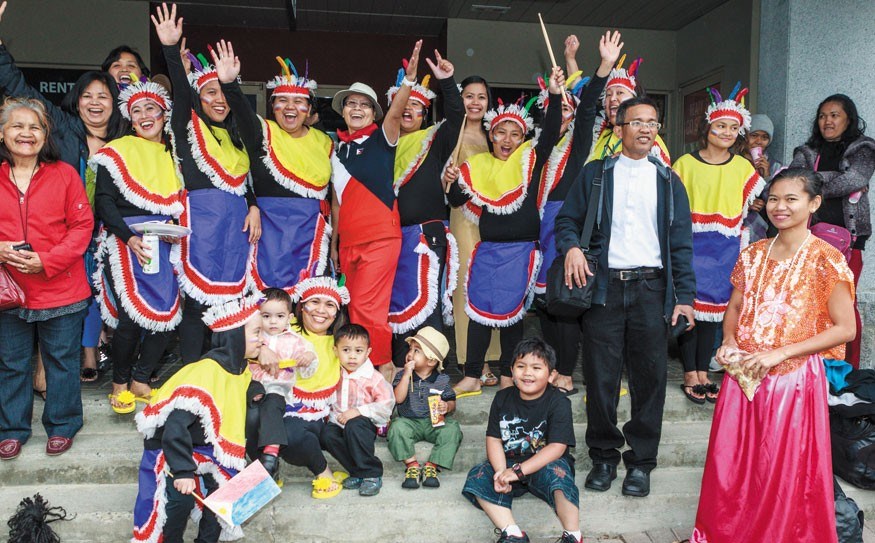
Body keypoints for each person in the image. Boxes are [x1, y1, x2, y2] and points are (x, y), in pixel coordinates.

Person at [690, 168, 856, 543]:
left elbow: (846, 329)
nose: (780, 207)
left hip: (793, 381)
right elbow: (734, 308)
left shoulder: (825, 260)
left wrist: (778, 353)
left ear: (814, 204)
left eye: (791, 199)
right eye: (774, 199)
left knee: (782, 473)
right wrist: (728, 340)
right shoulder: (752, 254)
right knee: (732, 466)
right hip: (742, 378)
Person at [555, 96, 695, 497]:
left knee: (649, 380)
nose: (646, 129)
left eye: (652, 122)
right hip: (604, 290)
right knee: (600, 377)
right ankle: (602, 457)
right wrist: (572, 248)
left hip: (653, 289)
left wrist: (684, 295)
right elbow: (567, 220)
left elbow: (682, 243)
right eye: (636, 122)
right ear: (619, 129)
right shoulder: (597, 174)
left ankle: (641, 463)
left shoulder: (669, 180)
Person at [444, 66, 565, 394]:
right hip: (487, 250)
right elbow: (456, 198)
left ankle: (509, 377)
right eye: (501, 132)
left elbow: (552, 130)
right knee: (480, 313)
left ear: (523, 137)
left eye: (515, 133)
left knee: (512, 319)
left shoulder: (530, 160)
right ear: (491, 135)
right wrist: (453, 180)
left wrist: (555, 95)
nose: (508, 139)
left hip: (521, 252)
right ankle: (471, 375)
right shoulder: (479, 165)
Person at [152, 5, 260, 363]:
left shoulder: (237, 139)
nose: (218, 100)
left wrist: (255, 206)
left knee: (231, 305)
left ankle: (225, 372)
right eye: (210, 92)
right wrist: (169, 49)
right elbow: (181, 97)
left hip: (235, 232)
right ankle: (192, 373)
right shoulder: (187, 128)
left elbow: (245, 182)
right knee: (197, 306)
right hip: (201, 228)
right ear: (199, 96)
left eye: (223, 93)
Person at [0, 97, 94, 460]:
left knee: (62, 362)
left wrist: (48, 260)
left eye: (34, 127)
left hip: (60, 287)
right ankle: (11, 429)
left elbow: (82, 226)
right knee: (11, 363)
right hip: (9, 290)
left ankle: (63, 424)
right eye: (17, 126)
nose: (26, 133)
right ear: (3, 132)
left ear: (45, 134)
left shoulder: (64, 174)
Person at [132, 296, 262, 543]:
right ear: (234, 337)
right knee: (179, 500)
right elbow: (175, 427)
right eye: (256, 332)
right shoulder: (205, 371)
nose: (262, 339)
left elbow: (238, 388)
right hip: (171, 447)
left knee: (237, 487)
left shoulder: (239, 367)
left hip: (207, 447)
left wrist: (257, 390)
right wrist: (182, 471)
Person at [534, 31, 621, 394]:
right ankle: (555, 364)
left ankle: (568, 369)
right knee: (549, 303)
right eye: (557, 111)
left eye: (568, 110)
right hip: (541, 228)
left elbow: (587, 108)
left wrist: (603, 67)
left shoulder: (581, 141)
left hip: (571, 225)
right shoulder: (536, 149)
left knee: (571, 298)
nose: (564, 117)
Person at [330, 40, 422, 379]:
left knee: (369, 310)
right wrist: (335, 244)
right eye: (351, 104)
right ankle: (366, 374)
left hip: (380, 238)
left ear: (373, 113)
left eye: (364, 105)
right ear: (343, 111)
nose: (357, 109)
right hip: (350, 242)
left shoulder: (383, 138)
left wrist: (408, 82)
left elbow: (397, 112)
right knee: (355, 311)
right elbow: (338, 199)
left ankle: (383, 372)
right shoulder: (336, 150)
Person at [212, 40, 332, 296]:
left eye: (299, 101)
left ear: (309, 109)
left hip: (309, 231)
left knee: (303, 301)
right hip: (267, 229)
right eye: (283, 100)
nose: (290, 107)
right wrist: (229, 85)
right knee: (263, 300)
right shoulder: (262, 132)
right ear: (272, 106)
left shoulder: (325, 142)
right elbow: (242, 113)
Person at [92, 81, 184, 414]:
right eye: (137, 110)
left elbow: (177, 203)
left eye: (151, 109)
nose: (145, 116)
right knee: (131, 317)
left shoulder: (173, 155)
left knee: (167, 314)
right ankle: (120, 383)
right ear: (130, 119)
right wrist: (127, 237)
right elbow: (104, 201)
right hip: (124, 238)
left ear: (164, 114)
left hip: (163, 241)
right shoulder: (116, 151)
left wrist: (175, 229)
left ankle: (141, 379)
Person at [672, 85, 765, 404]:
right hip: (690, 244)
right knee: (690, 308)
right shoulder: (685, 163)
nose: (726, 132)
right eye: (720, 125)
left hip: (725, 247)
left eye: (733, 127)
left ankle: (704, 370)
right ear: (707, 127)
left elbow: (754, 204)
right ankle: (689, 371)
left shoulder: (742, 167)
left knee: (715, 311)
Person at [387, 50, 463, 367]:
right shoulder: (381, 145)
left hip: (424, 239)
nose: (409, 110)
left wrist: (447, 81)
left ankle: (431, 386)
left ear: (424, 113)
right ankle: (400, 382)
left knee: (428, 310)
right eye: (404, 103)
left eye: (416, 106)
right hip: (388, 239)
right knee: (393, 309)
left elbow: (457, 115)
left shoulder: (433, 140)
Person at [461, 338, 579, 543]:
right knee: (478, 475)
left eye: (536, 367)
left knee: (560, 476)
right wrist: (500, 472)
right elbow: (494, 439)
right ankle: (512, 533)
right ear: (512, 371)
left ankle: (572, 535)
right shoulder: (502, 398)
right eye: (521, 366)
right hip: (508, 463)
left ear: (551, 375)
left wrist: (518, 472)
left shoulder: (559, 402)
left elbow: (557, 447)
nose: (527, 373)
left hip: (544, 464)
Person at [245, 270, 349, 499]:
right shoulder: (281, 326)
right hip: (273, 400)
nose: (321, 311)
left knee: (291, 433)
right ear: (300, 307)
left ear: (338, 312)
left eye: (329, 305)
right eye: (314, 302)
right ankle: (267, 473)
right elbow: (245, 335)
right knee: (251, 418)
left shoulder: (343, 340)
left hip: (310, 413)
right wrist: (261, 349)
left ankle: (324, 472)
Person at [790, 94, 874, 368]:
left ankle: (848, 369)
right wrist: (835, 181)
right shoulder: (806, 151)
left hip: (849, 242)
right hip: (809, 239)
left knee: (844, 304)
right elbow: (792, 183)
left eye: (835, 115)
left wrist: (812, 184)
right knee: (810, 304)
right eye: (823, 115)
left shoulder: (863, 148)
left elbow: (856, 178)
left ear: (848, 118)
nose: (828, 121)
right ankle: (813, 367)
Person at [448, 75, 501, 388]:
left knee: (492, 286)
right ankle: (472, 362)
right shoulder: (452, 135)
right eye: (469, 96)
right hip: (464, 218)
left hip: (494, 219)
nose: (476, 103)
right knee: (467, 286)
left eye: (481, 96)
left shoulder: (496, 134)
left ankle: (490, 357)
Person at [248, 288, 317, 480]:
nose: (272, 321)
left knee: (271, 403)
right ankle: (257, 462)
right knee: (250, 417)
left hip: (278, 390)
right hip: (251, 388)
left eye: (279, 316)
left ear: (289, 317)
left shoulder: (295, 341)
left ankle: (270, 455)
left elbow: (308, 370)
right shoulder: (253, 336)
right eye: (266, 315)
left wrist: (308, 358)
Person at [320, 324, 395, 496]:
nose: (352, 356)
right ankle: (357, 471)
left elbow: (386, 404)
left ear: (367, 353)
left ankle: (372, 472)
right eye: (346, 350)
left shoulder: (373, 378)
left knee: (354, 426)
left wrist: (360, 411)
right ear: (335, 350)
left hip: (363, 424)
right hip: (338, 422)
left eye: (358, 351)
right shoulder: (333, 373)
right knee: (326, 435)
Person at [387, 325, 462, 489]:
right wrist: (406, 375)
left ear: (431, 361)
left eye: (416, 351)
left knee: (453, 429)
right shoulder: (402, 375)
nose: (410, 354)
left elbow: (451, 401)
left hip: (433, 423)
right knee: (396, 428)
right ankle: (412, 465)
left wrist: (446, 407)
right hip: (409, 422)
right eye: (410, 349)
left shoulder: (442, 379)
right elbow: (398, 399)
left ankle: (431, 466)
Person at [585, 54, 671, 167]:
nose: (613, 98)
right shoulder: (599, 135)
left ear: (635, 101)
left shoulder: (648, 139)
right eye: (608, 94)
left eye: (620, 93)